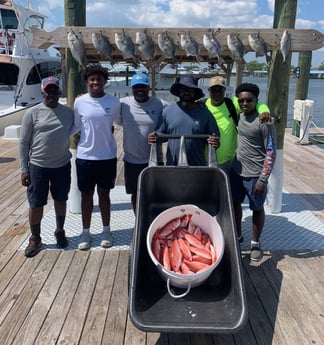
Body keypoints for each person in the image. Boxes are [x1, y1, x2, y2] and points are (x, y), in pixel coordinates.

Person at [19, 76, 74, 257]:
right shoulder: (32, 113)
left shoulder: (68, 112)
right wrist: (24, 169)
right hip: (38, 166)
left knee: (61, 199)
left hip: (62, 165)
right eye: (48, 91)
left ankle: (60, 230)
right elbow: (23, 142)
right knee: (36, 204)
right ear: (42, 92)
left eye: (54, 90)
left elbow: (87, 124)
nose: (51, 94)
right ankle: (35, 237)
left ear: (59, 92)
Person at [73, 64, 121, 250]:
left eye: (99, 79)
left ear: (105, 82)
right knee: (86, 196)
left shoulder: (114, 102)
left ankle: (106, 230)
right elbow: (75, 126)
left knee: (104, 195)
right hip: (85, 156)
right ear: (86, 81)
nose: (95, 82)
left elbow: (121, 121)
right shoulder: (79, 102)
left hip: (107, 156)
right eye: (92, 79)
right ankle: (86, 232)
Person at [229, 82, 276, 262]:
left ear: (256, 100)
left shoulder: (264, 121)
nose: (245, 104)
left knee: (257, 208)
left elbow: (271, 151)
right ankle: (238, 235)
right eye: (242, 100)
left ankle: (255, 243)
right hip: (236, 171)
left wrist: (262, 180)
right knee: (234, 204)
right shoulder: (239, 115)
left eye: (249, 100)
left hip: (255, 175)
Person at [115, 72, 167, 212]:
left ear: (149, 88)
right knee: (135, 194)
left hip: (153, 160)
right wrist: (83, 96)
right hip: (131, 160)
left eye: (143, 87)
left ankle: (151, 222)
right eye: (136, 87)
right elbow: (103, 104)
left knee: (154, 195)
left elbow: (177, 110)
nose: (140, 90)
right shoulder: (123, 103)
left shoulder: (160, 104)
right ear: (132, 89)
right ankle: (138, 220)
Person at [148, 75, 220, 166]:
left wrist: (215, 141)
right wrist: (154, 137)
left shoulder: (205, 113)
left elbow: (215, 138)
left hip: (198, 167)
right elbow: (161, 135)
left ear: (195, 93)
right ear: (179, 92)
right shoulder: (167, 111)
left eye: (191, 90)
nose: (187, 92)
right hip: (172, 166)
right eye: (184, 89)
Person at [205, 76, 271, 173]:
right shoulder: (203, 106)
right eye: (213, 90)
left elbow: (257, 103)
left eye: (220, 89)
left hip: (229, 160)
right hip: (206, 159)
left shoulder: (232, 103)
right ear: (208, 91)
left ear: (224, 90)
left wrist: (264, 111)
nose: (217, 93)